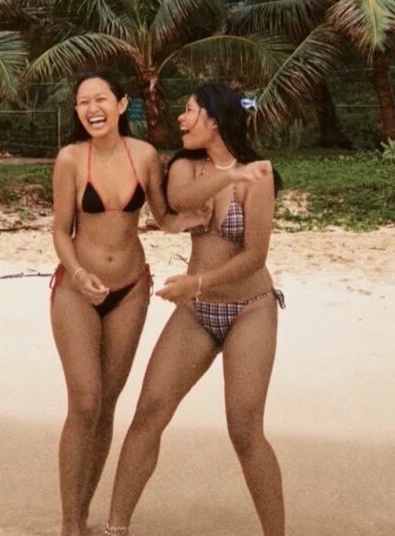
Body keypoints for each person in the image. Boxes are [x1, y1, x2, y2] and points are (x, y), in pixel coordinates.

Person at [49, 71, 259, 536]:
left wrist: (186, 221)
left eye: (100, 99)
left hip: (130, 289)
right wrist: (79, 274)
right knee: (84, 401)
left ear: (122, 105)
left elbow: (162, 216)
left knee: (107, 404)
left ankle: (84, 512)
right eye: (83, 102)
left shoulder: (144, 155)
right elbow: (61, 230)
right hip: (76, 289)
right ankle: (70, 525)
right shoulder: (70, 159)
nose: (92, 109)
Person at [105, 83, 285, 536]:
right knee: (149, 413)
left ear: (214, 120)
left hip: (250, 309)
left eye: (189, 111)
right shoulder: (185, 167)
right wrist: (230, 176)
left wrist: (197, 282)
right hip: (197, 311)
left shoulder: (260, 177)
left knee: (244, 429)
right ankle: (115, 528)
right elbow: (180, 201)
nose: (180, 119)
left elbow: (255, 256)